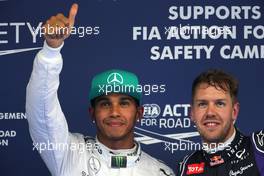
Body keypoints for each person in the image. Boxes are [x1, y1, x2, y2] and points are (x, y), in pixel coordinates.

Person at [26, 3, 175, 176]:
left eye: (124, 103)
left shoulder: (160, 172)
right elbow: (42, 112)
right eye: (105, 104)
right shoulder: (68, 153)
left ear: (139, 113)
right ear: (92, 113)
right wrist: (51, 50)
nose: (114, 112)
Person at [177, 69, 264, 176]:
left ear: (234, 111)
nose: (210, 113)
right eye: (202, 104)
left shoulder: (259, 149)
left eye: (220, 104)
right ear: (192, 113)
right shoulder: (186, 166)